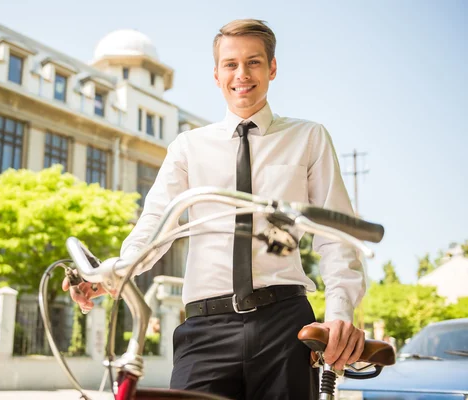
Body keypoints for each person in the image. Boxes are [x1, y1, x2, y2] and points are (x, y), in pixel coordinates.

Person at [64, 19, 367, 400]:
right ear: (216, 74)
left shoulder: (308, 138)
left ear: (272, 68)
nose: (242, 74)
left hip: (284, 322)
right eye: (230, 64)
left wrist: (340, 312)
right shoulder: (188, 146)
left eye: (254, 62)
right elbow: (155, 225)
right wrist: (113, 274)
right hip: (205, 327)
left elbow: (336, 237)